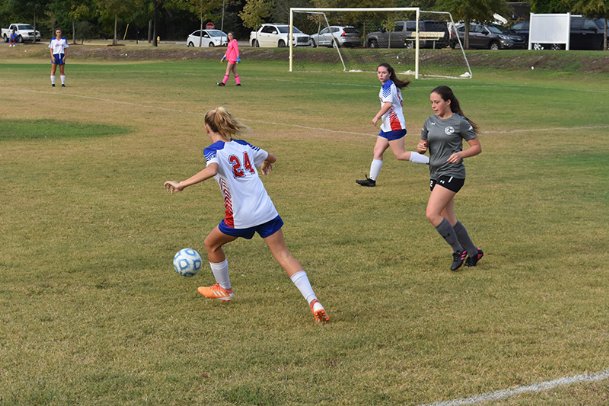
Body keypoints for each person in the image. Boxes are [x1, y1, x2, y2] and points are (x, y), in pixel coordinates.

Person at [164, 107, 329, 323]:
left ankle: (225, 289)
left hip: (241, 215)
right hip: (266, 210)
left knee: (211, 245)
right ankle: (314, 301)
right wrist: (265, 162)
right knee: (284, 255)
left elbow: (212, 169)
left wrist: (182, 184)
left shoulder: (213, 151)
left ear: (207, 128)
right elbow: (273, 157)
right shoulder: (244, 146)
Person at [417, 85, 484, 271]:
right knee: (449, 218)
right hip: (435, 172)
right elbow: (422, 144)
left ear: (448, 101)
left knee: (432, 213)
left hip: (453, 173)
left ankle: (458, 250)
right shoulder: (429, 122)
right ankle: (473, 252)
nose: (433, 105)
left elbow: (477, 147)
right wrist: (420, 148)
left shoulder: (459, 122)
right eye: (431, 102)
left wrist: (461, 154)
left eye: (437, 102)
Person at [356, 62, 429, 187]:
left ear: (389, 74)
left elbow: (388, 104)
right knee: (377, 151)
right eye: (379, 72)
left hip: (395, 125)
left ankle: (434, 162)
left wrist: (377, 117)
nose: (381, 75)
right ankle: (371, 180)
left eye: (384, 72)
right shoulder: (389, 85)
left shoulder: (388, 86)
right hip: (387, 126)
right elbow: (399, 103)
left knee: (400, 155)